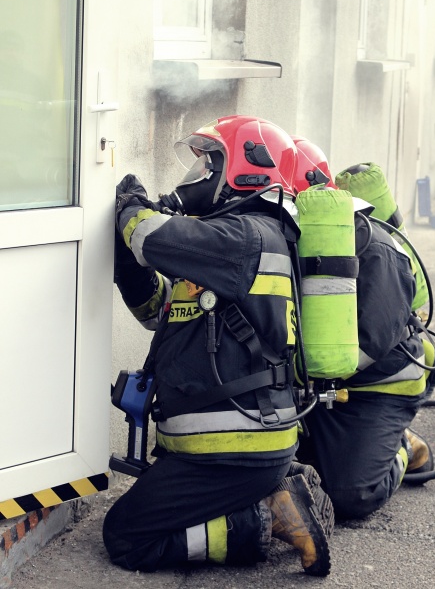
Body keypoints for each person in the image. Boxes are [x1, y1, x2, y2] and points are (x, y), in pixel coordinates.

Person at [104, 116, 333, 575]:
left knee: (127, 537)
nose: (196, 177)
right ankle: (277, 490)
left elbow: (150, 235)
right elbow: (161, 315)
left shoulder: (246, 236)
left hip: (234, 448)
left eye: (209, 164)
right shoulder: (232, 245)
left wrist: (131, 207)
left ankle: (264, 519)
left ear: (245, 170)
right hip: (237, 445)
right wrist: (130, 270)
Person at [291, 136, 435, 519]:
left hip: (379, 386)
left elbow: (372, 341)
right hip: (323, 385)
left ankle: (403, 446)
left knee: (350, 493)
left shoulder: (375, 248)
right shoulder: (278, 241)